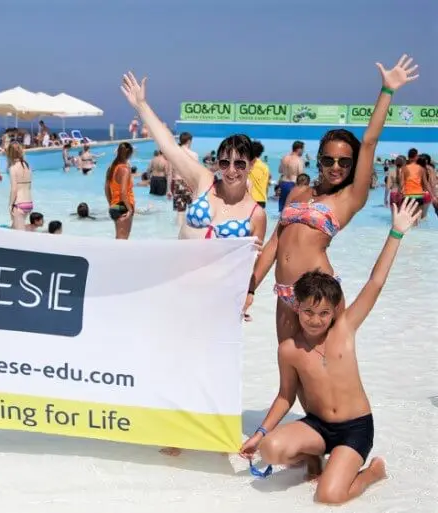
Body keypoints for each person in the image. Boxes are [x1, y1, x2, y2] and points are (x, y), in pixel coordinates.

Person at [240, 199, 421, 505]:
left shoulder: (345, 328)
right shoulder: (289, 349)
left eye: (324, 313)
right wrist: (258, 434)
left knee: (329, 497)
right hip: (318, 427)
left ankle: (371, 473)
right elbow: (286, 396)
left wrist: (396, 232)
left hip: (355, 430)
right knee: (270, 449)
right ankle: (314, 457)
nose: (315, 320)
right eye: (308, 312)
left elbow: (375, 281)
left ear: (334, 310)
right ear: (296, 307)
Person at [247, 55, 419, 339]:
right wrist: (251, 286)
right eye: (329, 160)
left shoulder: (350, 198)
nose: (336, 167)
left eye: (344, 162)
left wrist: (387, 91)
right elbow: (275, 243)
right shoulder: (300, 191)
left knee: (324, 375)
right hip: (285, 293)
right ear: (319, 160)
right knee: (289, 377)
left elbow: (369, 142)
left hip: (320, 298)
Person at [121, 73, 266, 243]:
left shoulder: (256, 214)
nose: (231, 170)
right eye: (225, 163)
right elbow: (170, 147)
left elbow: (253, 264)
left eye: (240, 164)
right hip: (180, 268)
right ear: (218, 163)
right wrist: (142, 106)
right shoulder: (204, 181)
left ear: (252, 164)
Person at [104, 142, 135, 240]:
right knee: (123, 240)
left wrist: (111, 204)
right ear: (129, 154)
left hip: (115, 206)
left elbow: (106, 188)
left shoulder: (112, 168)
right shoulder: (124, 169)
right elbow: (123, 192)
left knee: (119, 238)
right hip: (124, 206)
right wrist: (130, 209)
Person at [6, 143, 33, 230]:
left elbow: (14, 189)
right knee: (13, 230)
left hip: (19, 204)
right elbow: (29, 186)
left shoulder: (13, 168)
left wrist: (10, 205)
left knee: (20, 235)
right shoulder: (28, 166)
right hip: (29, 203)